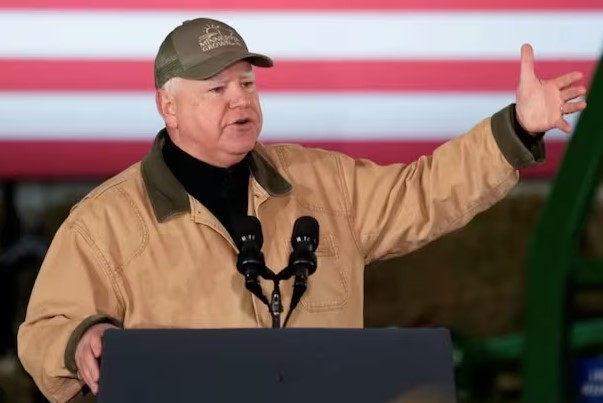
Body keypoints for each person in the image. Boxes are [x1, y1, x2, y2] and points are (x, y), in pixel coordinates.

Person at [16, 17, 586, 403]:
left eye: (247, 83)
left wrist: (515, 130)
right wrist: (81, 339)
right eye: (217, 90)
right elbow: (44, 331)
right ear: (168, 105)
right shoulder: (106, 222)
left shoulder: (322, 182)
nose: (241, 99)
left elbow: (423, 192)